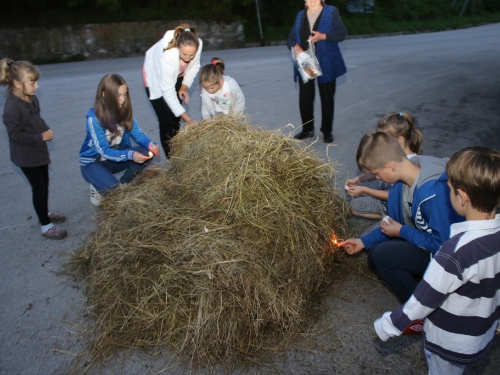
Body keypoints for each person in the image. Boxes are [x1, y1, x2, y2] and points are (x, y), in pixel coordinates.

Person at [374, 146, 500, 375]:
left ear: (462, 197)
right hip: (481, 334)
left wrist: (389, 324)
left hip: (449, 340)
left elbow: (425, 298)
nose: (446, 193)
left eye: (449, 189)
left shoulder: (454, 252)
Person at [340, 132, 463, 305]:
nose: (377, 178)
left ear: (389, 166)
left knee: (384, 256)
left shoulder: (433, 193)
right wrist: (363, 241)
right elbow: (394, 221)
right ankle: (425, 283)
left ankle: (422, 310)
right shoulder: (400, 186)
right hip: (430, 242)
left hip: (453, 257)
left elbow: (443, 245)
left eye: (376, 173)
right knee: (375, 255)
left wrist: (403, 231)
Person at [0, 58, 67, 239]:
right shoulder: (11, 108)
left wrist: (44, 128)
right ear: (17, 84)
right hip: (26, 156)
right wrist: (40, 137)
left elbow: (37, 118)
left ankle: (43, 213)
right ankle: (45, 226)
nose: (36, 86)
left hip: (38, 151)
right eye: (32, 82)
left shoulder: (31, 98)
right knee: (39, 187)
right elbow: (15, 135)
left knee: (44, 184)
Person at [79, 74, 159, 206]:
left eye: (125, 94)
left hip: (114, 160)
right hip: (94, 163)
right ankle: (98, 183)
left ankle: (125, 183)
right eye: (118, 95)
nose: (122, 99)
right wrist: (130, 155)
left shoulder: (124, 112)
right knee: (112, 190)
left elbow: (138, 135)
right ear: (104, 94)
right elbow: (103, 151)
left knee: (146, 151)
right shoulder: (94, 118)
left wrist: (150, 144)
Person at [287, 0, 346, 143]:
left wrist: (323, 36)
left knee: (327, 97)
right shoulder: (301, 15)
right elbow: (290, 38)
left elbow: (341, 34)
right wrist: (296, 47)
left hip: (326, 61)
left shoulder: (331, 11)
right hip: (306, 62)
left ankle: (327, 131)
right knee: (305, 98)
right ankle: (307, 129)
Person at [347, 112, 423, 221]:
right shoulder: (388, 154)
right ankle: (383, 216)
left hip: (400, 211)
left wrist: (365, 190)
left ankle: (392, 222)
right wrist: (358, 179)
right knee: (354, 207)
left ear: (400, 140)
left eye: (384, 138)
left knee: (367, 237)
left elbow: (396, 196)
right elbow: (376, 171)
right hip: (384, 205)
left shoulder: (408, 165)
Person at [143, 24, 203, 158]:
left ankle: (177, 152)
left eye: (191, 55)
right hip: (155, 78)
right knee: (166, 118)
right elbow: (168, 94)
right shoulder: (169, 55)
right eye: (184, 54)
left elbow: (194, 66)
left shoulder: (197, 44)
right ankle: (172, 159)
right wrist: (189, 120)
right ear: (177, 48)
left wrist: (184, 86)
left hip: (177, 74)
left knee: (175, 118)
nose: (188, 58)